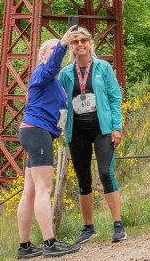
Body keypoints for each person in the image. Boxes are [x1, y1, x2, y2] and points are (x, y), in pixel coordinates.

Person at [16, 27, 83, 259]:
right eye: (53, 48)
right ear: (43, 55)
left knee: (31, 191)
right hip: (36, 132)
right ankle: (50, 243)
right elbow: (54, 65)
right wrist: (63, 44)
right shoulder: (42, 72)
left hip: (34, 133)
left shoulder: (52, 81)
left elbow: (62, 110)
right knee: (44, 189)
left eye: (59, 47)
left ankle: (24, 247)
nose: (58, 50)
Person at [59, 26, 126, 244]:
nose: (80, 45)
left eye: (83, 41)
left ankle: (118, 225)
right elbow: (59, 102)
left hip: (102, 128)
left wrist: (117, 127)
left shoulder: (103, 67)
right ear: (70, 46)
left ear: (90, 43)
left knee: (106, 173)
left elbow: (115, 97)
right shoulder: (66, 73)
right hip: (76, 130)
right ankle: (88, 228)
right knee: (83, 179)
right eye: (75, 41)